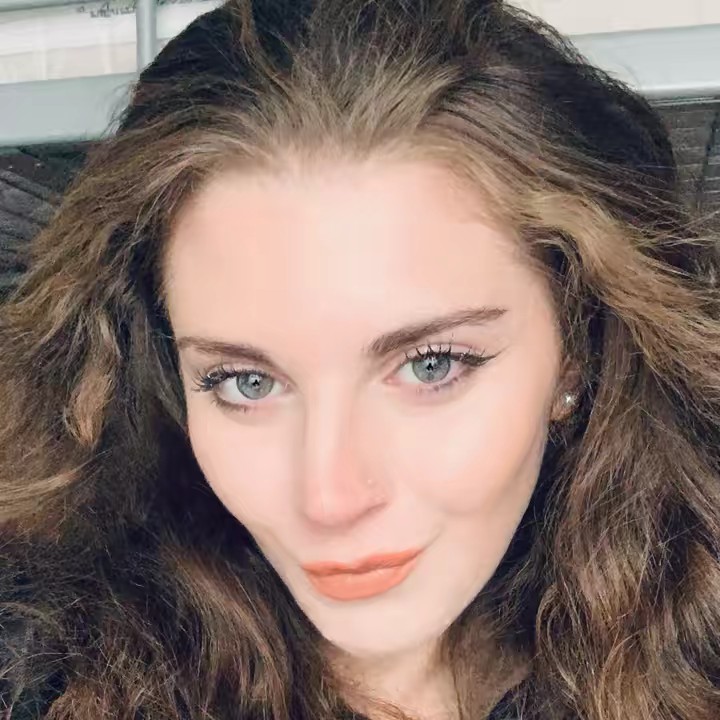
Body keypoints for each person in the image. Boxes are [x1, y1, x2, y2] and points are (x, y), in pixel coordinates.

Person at [1, 0, 719, 718]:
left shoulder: (696, 637)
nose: (329, 500)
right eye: (246, 382)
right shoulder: (44, 665)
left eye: (432, 365)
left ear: (575, 352)